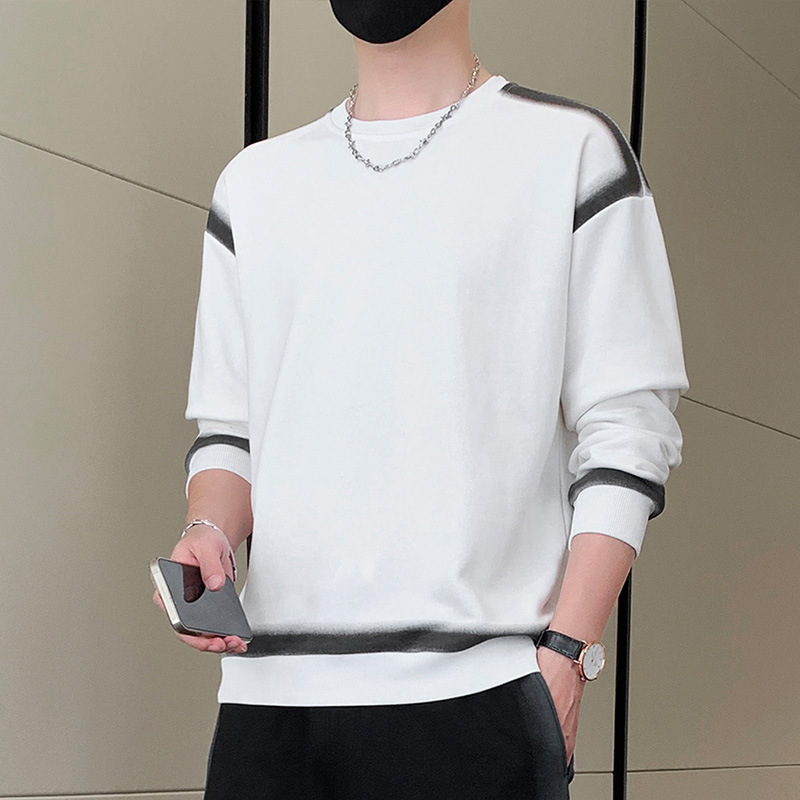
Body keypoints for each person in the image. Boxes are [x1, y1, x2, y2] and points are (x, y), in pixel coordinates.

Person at [153, 1, 689, 797]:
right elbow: (231, 432)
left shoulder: (571, 151)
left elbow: (629, 425)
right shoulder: (256, 183)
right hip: (271, 706)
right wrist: (208, 531)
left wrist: (569, 653)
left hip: (478, 695)